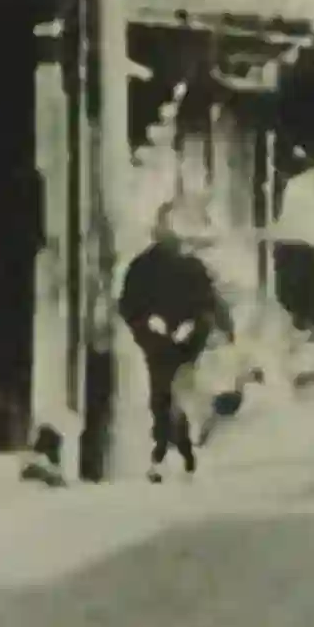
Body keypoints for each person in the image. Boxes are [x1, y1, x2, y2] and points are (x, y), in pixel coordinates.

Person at [118, 206, 231, 481]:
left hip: (184, 339)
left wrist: (196, 327)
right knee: (165, 395)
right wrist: (151, 327)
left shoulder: (189, 266)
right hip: (160, 341)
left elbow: (208, 302)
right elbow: (130, 305)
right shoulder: (146, 266)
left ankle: (175, 451)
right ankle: (174, 451)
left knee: (174, 394)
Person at [272, 148, 314, 337]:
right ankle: (308, 322)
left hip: (297, 243)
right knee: (303, 289)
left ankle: (307, 322)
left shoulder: (302, 182)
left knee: (297, 290)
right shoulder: (301, 183)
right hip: (300, 243)